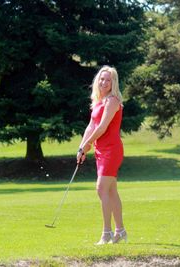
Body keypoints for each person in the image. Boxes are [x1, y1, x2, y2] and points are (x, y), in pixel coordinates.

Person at [76, 65, 127, 245]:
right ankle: (120, 231)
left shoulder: (112, 101)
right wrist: (81, 147)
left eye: (108, 80)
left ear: (114, 83)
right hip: (100, 149)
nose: (104, 82)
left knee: (101, 189)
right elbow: (90, 126)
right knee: (111, 191)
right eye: (102, 79)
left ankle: (107, 233)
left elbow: (102, 127)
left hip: (112, 149)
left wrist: (87, 145)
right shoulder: (98, 101)